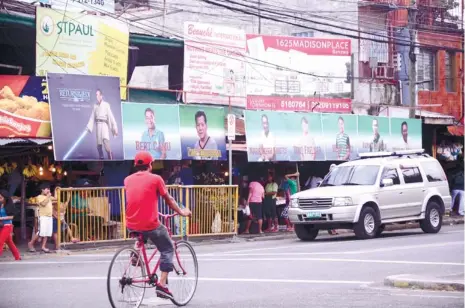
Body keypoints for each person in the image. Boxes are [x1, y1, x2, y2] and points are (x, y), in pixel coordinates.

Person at [125, 151, 191, 299]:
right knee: (167, 248)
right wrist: (181, 212)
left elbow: (138, 198)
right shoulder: (156, 179)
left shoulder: (127, 180)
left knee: (141, 232)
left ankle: (136, 251)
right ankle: (162, 285)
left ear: (136, 165)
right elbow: (169, 200)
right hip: (150, 224)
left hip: (131, 223)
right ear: (150, 165)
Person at [86, 89, 118, 160]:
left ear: (101, 96)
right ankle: (101, 157)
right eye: (96, 95)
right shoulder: (95, 106)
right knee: (99, 144)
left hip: (104, 125)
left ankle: (110, 156)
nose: (96, 96)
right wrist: (89, 127)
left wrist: (114, 127)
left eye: (98, 94)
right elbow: (92, 117)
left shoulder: (106, 105)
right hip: (98, 125)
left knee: (106, 141)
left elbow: (111, 116)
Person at [28, 183, 54, 253]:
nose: (48, 190)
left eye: (49, 189)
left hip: (49, 216)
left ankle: (43, 246)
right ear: (42, 190)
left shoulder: (49, 196)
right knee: (41, 232)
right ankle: (31, 243)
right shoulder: (39, 197)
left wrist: (57, 190)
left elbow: (56, 199)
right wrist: (48, 197)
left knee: (47, 233)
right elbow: (43, 204)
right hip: (43, 216)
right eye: (46, 189)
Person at [0, 190, 20, 260]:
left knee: (0, 241)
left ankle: (17, 256)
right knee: (9, 242)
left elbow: (11, 217)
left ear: (5, 198)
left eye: (1, 198)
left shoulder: (9, 205)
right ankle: (17, 256)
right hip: (2, 226)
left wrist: (1, 218)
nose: (0, 199)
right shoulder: (1, 204)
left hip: (8, 225)